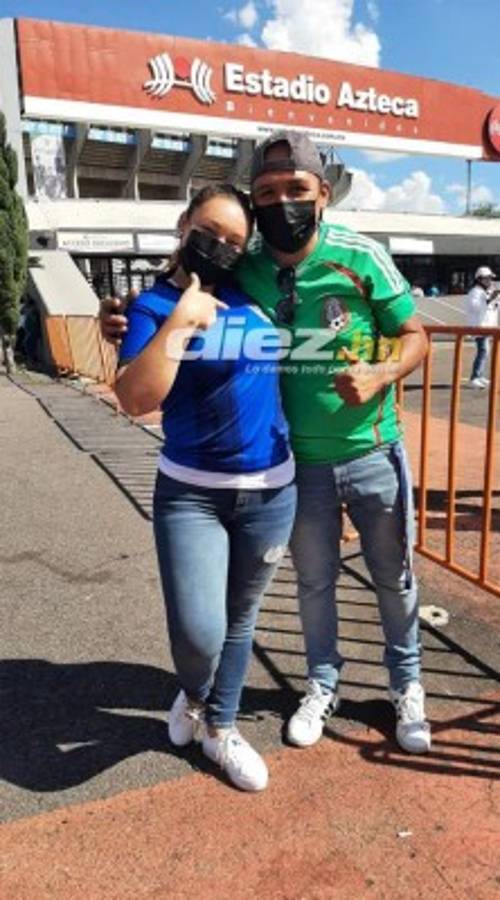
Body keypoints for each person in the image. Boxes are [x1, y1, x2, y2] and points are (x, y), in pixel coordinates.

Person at [102, 131, 431, 756]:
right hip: (295, 465)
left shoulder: (360, 255)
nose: (283, 202)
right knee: (312, 583)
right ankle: (321, 684)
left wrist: (382, 372)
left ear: (322, 195)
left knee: (395, 578)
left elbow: (415, 335)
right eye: (269, 192)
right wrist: (123, 317)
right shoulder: (245, 265)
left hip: (370, 450)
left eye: (296, 190)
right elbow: (183, 285)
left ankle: (407, 687)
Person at [113, 183, 297, 792]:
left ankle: (220, 726)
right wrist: (180, 322)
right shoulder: (152, 304)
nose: (219, 247)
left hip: (271, 490)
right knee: (198, 630)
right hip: (191, 490)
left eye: (234, 242)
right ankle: (194, 692)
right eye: (209, 233)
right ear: (185, 223)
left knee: (240, 619)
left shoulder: (257, 298)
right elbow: (137, 399)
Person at [466, 266, 499, 389]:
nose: (490, 281)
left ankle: (479, 376)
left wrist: (493, 298)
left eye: (491, 278)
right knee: (483, 351)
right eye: (487, 278)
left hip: (487, 326)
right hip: (479, 326)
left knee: (485, 352)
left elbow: (493, 308)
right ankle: (474, 377)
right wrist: (490, 299)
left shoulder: (486, 291)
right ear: (480, 279)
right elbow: (475, 308)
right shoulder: (475, 292)